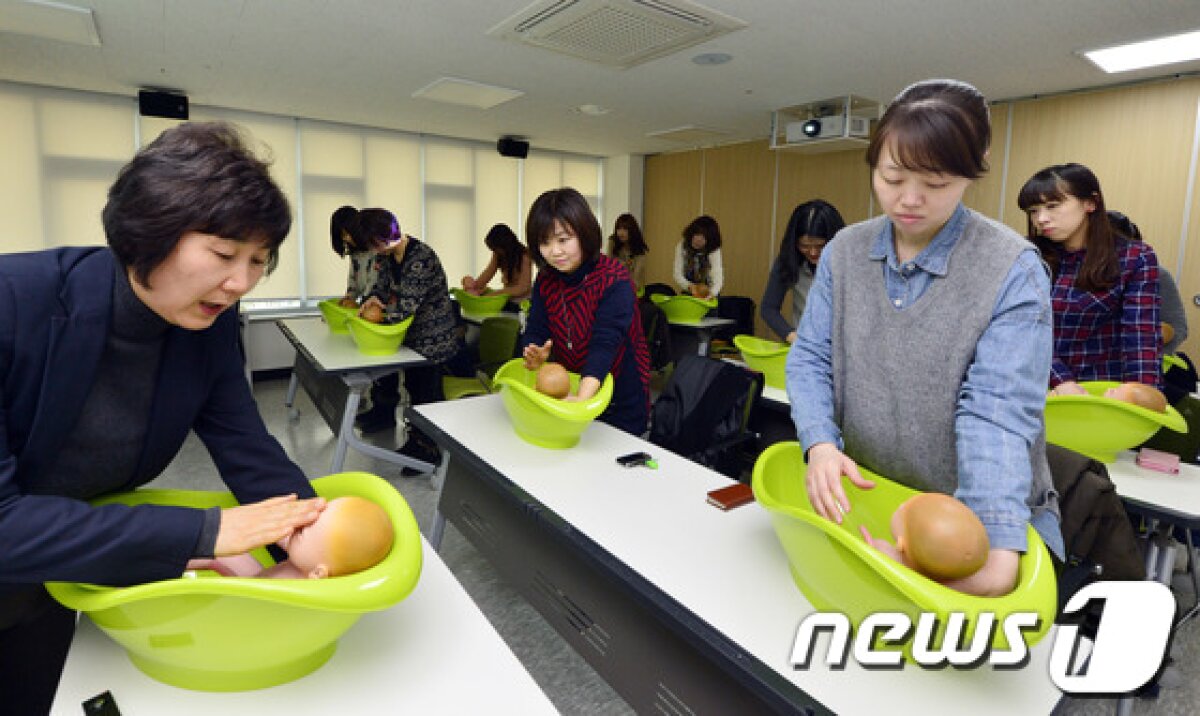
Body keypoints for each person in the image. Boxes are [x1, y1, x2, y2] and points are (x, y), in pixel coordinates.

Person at [0, 121, 326, 713]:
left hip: (56, 573)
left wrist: (311, 546)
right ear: (149, 231)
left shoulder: (209, 324)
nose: (240, 283)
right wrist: (207, 533)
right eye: (226, 254)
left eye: (259, 260)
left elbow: (247, 449)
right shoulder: (12, 300)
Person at [787, 79, 1063, 598]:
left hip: (964, 512)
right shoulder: (846, 250)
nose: (908, 200)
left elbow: (997, 413)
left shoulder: (1010, 267)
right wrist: (820, 445)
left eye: (935, 183)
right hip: (872, 497)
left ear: (974, 167)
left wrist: (991, 552)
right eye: (891, 177)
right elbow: (811, 358)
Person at [1017, 163, 1162, 394]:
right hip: (1034, 386)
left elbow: (1140, 334)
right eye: (1033, 211)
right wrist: (1060, 379)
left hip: (1102, 390)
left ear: (1090, 203)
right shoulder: (1027, 255)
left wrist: (1142, 394)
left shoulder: (1134, 257)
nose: (1041, 218)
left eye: (1052, 206)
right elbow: (1022, 327)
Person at [521, 188, 651, 436]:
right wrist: (533, 353)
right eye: (545, 242)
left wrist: (583, 399)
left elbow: (605, 344)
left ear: (584, 232)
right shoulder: (547, 280)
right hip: (569, 391)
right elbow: (536, 328)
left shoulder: (614, 278)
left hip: (619, 395)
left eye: (563, 239)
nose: (554, 251)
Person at [358, 216, 471, 468]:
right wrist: (373, 299)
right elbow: (381, 286)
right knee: (413, 388)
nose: (375, 251)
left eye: (375, 244)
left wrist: (377, 315)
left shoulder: (421, 258)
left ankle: (432, 450)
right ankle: (417, 441)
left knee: (427, 395)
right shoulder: (387, 257)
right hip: (410, 340)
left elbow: (406, 306)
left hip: (433, 339)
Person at [187, 496, 393, 579]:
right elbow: (287, 538)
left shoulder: (300, 587)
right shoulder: (308, 558)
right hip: (259, 582)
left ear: (318, 573)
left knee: (217, 555)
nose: (296, 526)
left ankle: (170, 559)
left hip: (253, 599)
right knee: (223, 546)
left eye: (302, 532)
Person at [760, 200, 846, 343]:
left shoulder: (851, 262)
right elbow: (768, 308)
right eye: (804, 246)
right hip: (806, 346)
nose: (813, 252)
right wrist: (793, 337)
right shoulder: (788, 260)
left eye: (820, 246)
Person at [1108, 210, 1188, 355]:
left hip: (1140, 362)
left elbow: (1178, 328)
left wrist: (1142, 337)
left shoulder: (1156, 274)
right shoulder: (1071, 272)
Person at [461, 223, 532, 305]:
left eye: (496, 249)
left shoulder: (525, 256)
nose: (495, 252)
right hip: (508, 299)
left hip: (523, 302)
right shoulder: (499, 254)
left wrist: (496, 294)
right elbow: (488, 273)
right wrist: (473, 286)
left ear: (505, 245)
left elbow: (523, 288)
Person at [330, 205, 383, 306]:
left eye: (347, 233)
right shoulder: (354, 253)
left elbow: (374, 281)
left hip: (379, 303)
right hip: (366, 303)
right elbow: (353, 280)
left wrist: (364, 301)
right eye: (342, 236)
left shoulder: (376, 249)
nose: (346, 238)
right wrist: (349, 297)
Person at [673, 215, 724, 298]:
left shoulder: (713, 250)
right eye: (696, 235)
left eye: (703, 238)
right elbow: (677, 274)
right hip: (689, 290)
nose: (698, 241)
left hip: (709, 293)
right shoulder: (682, 246)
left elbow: (717, 276)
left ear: (710, 240)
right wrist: (690, 287)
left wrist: (712, 293)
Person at [606, 213, 649, 290]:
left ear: (632, 230)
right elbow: (608, 267)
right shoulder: (613, 242)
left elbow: (636, 278)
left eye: (625, 229)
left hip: (633, 289)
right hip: (613, 287)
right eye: (618, 229)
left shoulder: (639, 250)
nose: (621, 233)